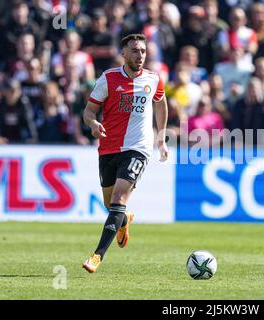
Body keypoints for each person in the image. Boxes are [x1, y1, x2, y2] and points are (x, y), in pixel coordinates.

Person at [82, 34, 169, 273]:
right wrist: (92, 124)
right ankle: (124, 219)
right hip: (108, 147)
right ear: (124, 53)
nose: (139, 55)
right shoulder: (108, 79)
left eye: (142, 51)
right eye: (134, 51)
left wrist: (160, 138)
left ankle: (97, 256)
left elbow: (160, 103)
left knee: (119, 198)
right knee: (111, 204)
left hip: (138, 148)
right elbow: (89, 111)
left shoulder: (153, 78)